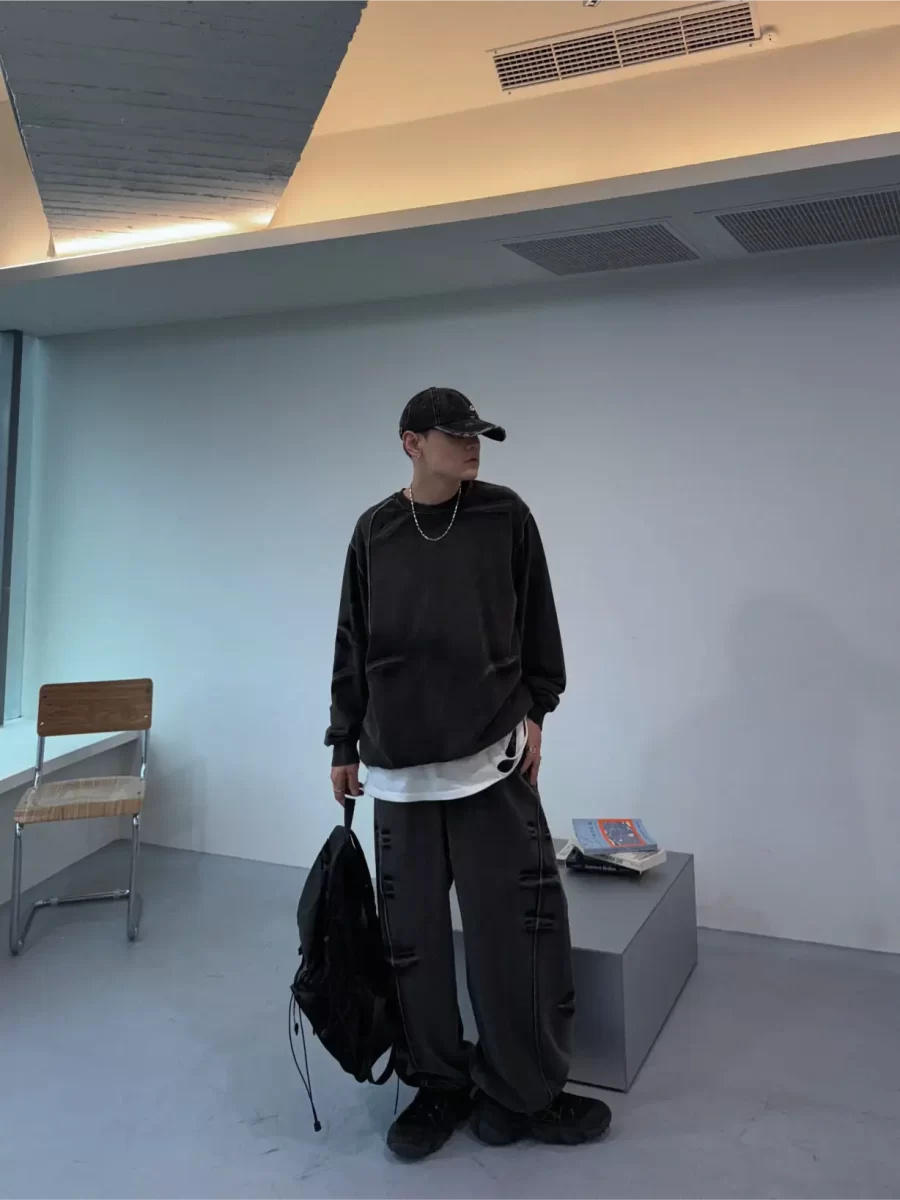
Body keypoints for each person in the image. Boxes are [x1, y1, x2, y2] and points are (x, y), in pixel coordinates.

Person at [325, 386, 611, 1161]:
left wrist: (538, 710)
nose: (472, 445)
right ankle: (438, 1086)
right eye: (456, 435)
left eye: (477, 434)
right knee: (412, 947)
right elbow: (352, 638)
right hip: (398, 774)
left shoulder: (504, 516)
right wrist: (343, 740)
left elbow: (537, 619)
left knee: (519, 937)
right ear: (412, 443)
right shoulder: (375, 531)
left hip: (492, 762)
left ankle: (524, 1091)